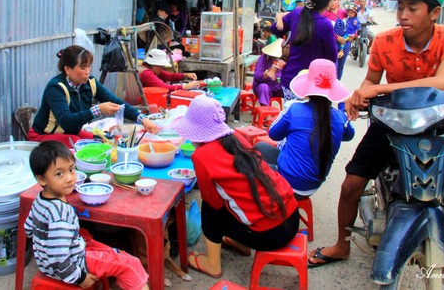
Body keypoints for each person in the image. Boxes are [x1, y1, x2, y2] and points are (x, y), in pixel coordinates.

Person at [308, 0, 444, 267]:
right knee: (351, 185)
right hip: (389, 122)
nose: (403, 14)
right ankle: (342, 245)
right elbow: (370, 80)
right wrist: (361, 94)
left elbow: (443, 83)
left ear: (434, 12)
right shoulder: (384, 41)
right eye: (401, 7)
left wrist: (381, 89)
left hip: (433, 124)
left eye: (412, 8)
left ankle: (435, 222)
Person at [172, 95, 300, 279]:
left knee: (209, 208)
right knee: (236, 197)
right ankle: (241, 243)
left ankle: (212, 264)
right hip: (291, 217)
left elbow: (213, 201)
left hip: (270, 234)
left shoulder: (201, 156)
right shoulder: (236, 137)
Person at [24, 141, 149, 289]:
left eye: (71, 170)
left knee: (87, 236)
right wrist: (80, 277)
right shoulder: (60, 214)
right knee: (130, 264)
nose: (70, 178)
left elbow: (28, 229)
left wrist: (45, 243)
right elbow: (58, 258)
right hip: (71, 266)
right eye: (59, 174)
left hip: (46, 264)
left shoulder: (40, 200)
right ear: (42, 179)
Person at [256, 59, 355, 197]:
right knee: (261, 147)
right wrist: (343, 107)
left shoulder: (295, 109)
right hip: (313, 186)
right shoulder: (340, 118)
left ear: (308, 89)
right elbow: (349, 135)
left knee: (250, 158)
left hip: (288, 181)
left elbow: (273, 134)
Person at [29, 45, 158, 144]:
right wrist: (97, 110)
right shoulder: (56, 88)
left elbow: (117, 103)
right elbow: (67, 122)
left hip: (70, 133)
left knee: (104, 140)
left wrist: (142, 119)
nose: (87, 72)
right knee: (77, 142)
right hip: (43, 136)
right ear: (67, 69)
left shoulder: (90, 83)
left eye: (89, 67)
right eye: (83, 68)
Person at [271, 0, 338, 101]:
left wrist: (280, 16)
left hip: (291, 81)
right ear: (328, 2)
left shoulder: (297, 13)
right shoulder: (325, 24)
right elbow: (331, 58)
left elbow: (275, 29)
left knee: (292, 112)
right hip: (312, 87)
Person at [322, 0, 350, 79]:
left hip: (345, 44)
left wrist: (347, 37)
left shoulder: (344, 13)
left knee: (340, 66)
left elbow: (351, 26)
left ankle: (338, 83)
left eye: (334, 0)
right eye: (330, 0)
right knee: (332, 66)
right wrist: (337, 37)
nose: (332, 2)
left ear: (338, 1)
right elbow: (324, 30)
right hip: (331, 43)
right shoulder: (324, 14)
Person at [252, 39, 285, 106]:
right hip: (265, 87)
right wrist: (266, 73)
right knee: (264, 87)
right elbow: (257, 76)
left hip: (277, 88)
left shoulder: (284, 60)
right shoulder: (263, 59)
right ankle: (265, 110)